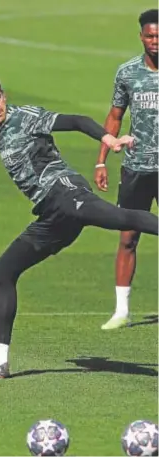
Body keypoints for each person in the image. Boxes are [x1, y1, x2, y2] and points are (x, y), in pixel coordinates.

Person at [0, 75, 158, 379]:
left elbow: (76, 121)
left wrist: (109, 139)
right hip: (52, 215)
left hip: (67, 195)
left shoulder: (25, 117)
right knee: (3, 272)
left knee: (123, 219)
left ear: (4, 94)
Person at [94, 9, 158, 330]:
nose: (155, 42)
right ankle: (121, 311)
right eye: (150, 36)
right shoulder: (128, 73)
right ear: (141, 37)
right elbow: (115, 117)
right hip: (136, 168)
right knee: (128, 238)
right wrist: (102, 158)